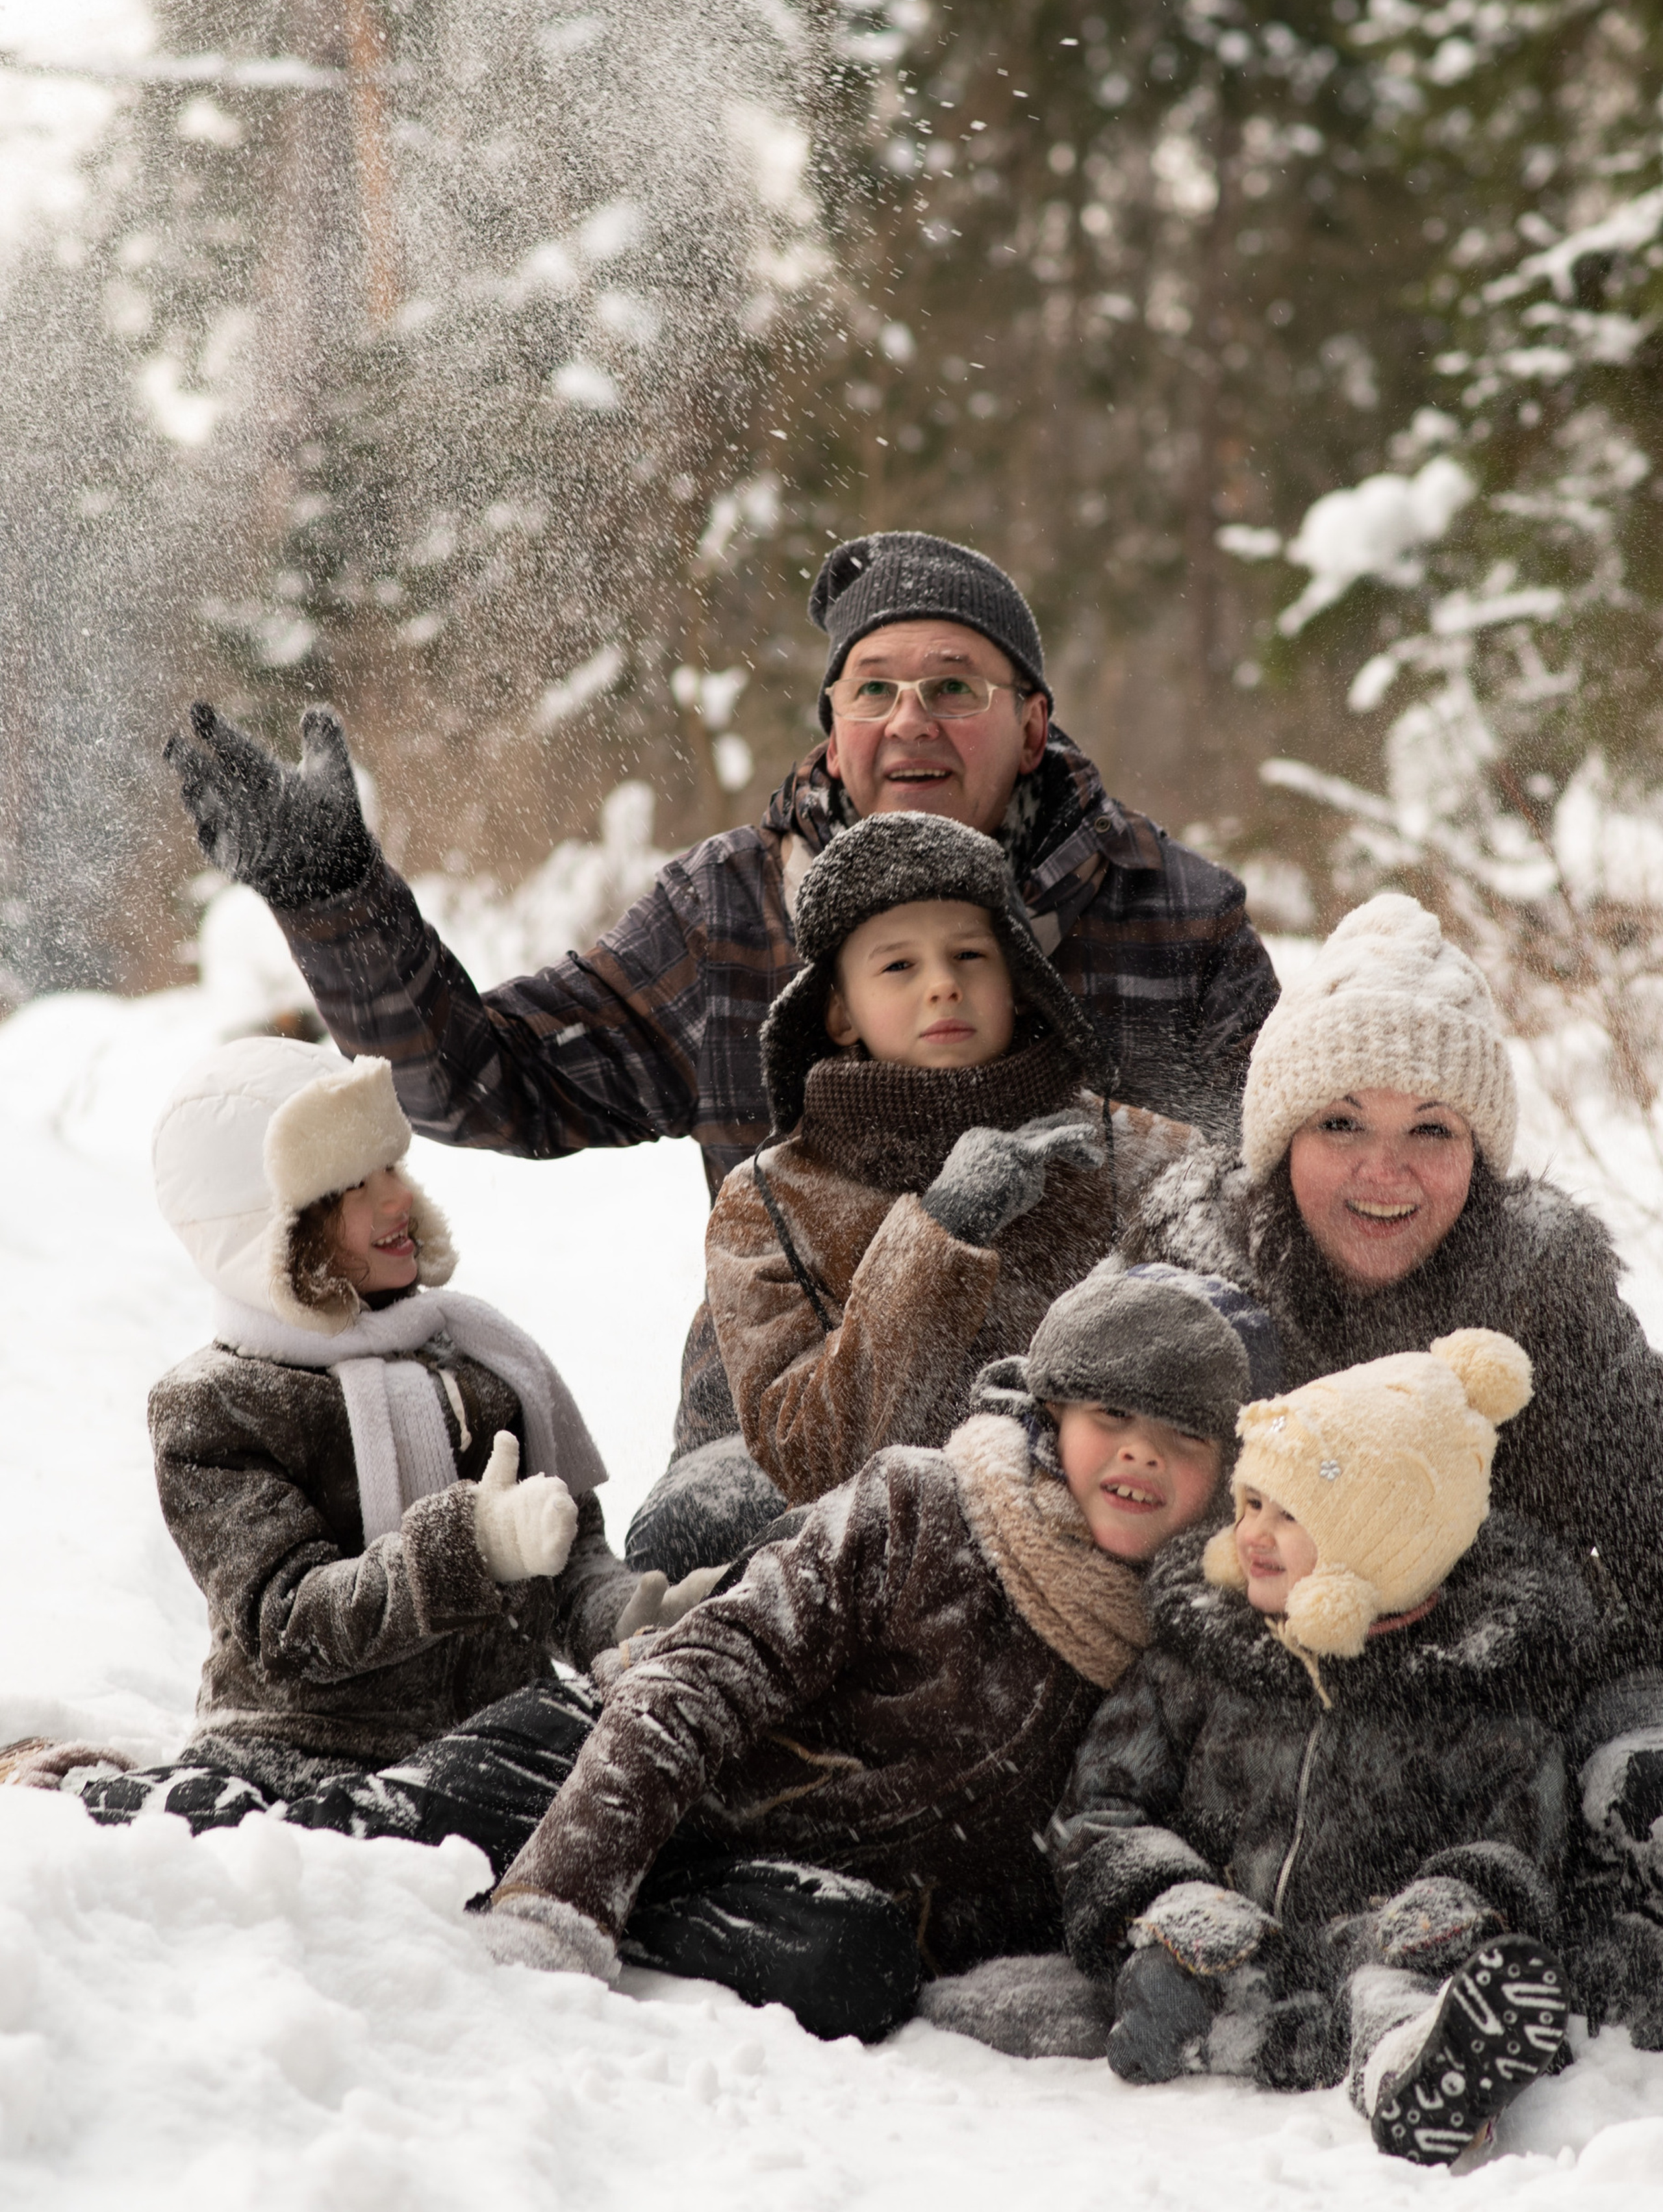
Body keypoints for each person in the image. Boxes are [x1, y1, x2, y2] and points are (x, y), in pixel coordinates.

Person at [163, 533, 1279, 1542]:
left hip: (1103, 1421)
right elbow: (488, 1082)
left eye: (955, 686)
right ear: (834, 731)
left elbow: (1281, 1198)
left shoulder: (1170, 920)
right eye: (875, 689)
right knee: (705, 1554)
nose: (911, 720)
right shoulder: (731, 913)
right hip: (787, 1412)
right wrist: (337, 900)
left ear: (1032, 724)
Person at [457, 1260, 1273, 2037]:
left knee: (858, 1966)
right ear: (1050, 1414)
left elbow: (1100, 1841)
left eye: (1183, 1436)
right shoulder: (920, 1510)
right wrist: (561, 1902)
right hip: (608, 1758)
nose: (1142, 1452)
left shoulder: (1180, 1648)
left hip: (806, 1901)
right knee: (405, 1832)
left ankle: (648, 1900)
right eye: (1110, 1417)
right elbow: (699, 1678)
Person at [47, 1036, 712, 1829]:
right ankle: (92, 1795)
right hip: (303, 1754)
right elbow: (292, 1624)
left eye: (393, 1165)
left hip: (498, 1740)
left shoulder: (475, 1358)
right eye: (352, 1186)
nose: (397, 1198)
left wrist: (625, 1614)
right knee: (260, 1823)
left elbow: (563, 1557)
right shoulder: (217, 1409)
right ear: (271, 1232)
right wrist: (468, 1547)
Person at [1037, 1331, 1590, 2167]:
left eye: (1290, 1515)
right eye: (1251, 1503)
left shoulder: (1472, 1693)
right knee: (1172, 1983)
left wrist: (1447, 1906)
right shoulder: (1199, 1662)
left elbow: (1516, 1847)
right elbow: (1100, 1806)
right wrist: (1167, 1896)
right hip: (1219, 1947)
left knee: (1395, 1994)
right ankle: (1210, 2025)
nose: (1253, 1533)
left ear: (1382, 1541)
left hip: (1378, 1950)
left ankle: (1419, 2071)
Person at [1123, 889, 1663, 1666]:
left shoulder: (1545, 1297)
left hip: (1484, 1720)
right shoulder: (1189, 1278)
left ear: (1477, 1157)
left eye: (1430, 1128)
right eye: (1340, 1124)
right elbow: (1062, 1466)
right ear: (1282, 1142)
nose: (1383, 1169)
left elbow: (1646, 1540)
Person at [700, 807, 1196, 1517]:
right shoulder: (770, 1201)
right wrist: (942, 1231)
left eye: (969, 955)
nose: (942, 984)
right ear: (839, 1012)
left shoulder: (1139, 1152)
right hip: (891, 1557)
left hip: (1122, 1531)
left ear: (1016, 978)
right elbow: (816, 1460)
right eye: (898, 965)